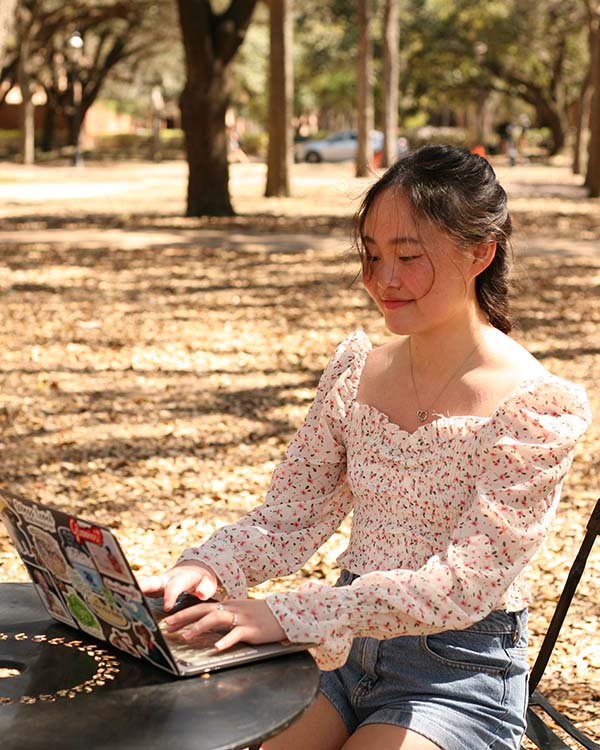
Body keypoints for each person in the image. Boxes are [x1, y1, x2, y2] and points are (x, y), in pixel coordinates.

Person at [139, 145, 590, 750]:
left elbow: (464, 586)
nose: (384, 280)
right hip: (335, 654)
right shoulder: (356, 371)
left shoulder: (534, 405)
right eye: (372, 256)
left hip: (455, 676)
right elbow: (292, 514)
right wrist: (208, 567)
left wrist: (289, 613)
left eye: (408, 256)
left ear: (481, 252)